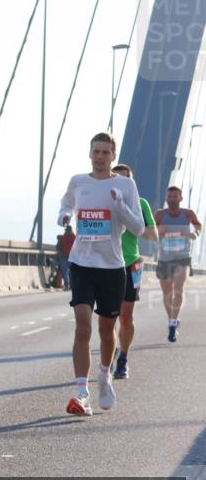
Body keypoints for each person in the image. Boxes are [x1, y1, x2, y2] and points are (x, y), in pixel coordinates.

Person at [58, 133, 145, 416]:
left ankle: (105, 373)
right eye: (96, 151)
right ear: (90, 153)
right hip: (81, 264)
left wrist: (120, 205)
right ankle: (82, 393)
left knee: (107, 331)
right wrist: (64, 216)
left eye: (105, 152)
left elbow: (138, 228)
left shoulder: (126, 185)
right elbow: (66, 204)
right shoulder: (78, 181)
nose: (100, 157)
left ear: (113, 156)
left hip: (111, 267)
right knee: (82, 327)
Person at [111, 164, 158, 379]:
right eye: (118, 179)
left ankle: (123, 358)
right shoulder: (102, 200)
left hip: (131, 264)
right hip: (105, 264)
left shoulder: (141, 203)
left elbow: (153, 235)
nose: (123, 183)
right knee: (108, 317)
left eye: (127, 180)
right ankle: (110, 350)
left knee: (126, 316)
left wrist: (132, 221)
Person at [154, 186, 202, 343]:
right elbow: (150, 230)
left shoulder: (188, 214)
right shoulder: (159, 215)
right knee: (168, 293)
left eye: (175, 196)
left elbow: (198, 226)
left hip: (182, 258)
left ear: (181, 199)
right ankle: (171, 318)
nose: (172, 199)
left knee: (179, 290)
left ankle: (173, 324)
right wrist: (159, 231)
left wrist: (195, 233)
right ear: (166, 198)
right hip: (164, 259)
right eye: (170, 197)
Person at [56, 225, 75, 290]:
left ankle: (67, 284)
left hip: (63, 256)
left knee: (65, 271)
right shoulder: (75, 238)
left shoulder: (62, 238)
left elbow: (58, 247)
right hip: (72, 257)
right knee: (72, 272)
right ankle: (71, 285)